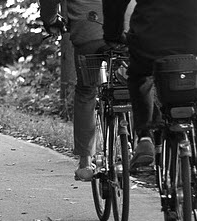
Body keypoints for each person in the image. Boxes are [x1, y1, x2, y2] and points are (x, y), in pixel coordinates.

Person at [102, 0, 197, 221]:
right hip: (195, 39)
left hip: (149, 41)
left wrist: (112, 33)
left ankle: (144, 137)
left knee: (139, 78)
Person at [39, 0, 134, 181]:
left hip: (88, 30)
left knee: (86, 91)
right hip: (127, 28)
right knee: (133, 86)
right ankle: (137, 145)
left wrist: (50, 20)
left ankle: (85, 162)